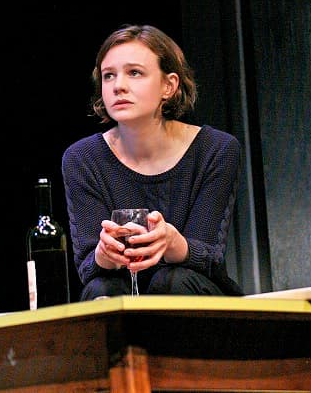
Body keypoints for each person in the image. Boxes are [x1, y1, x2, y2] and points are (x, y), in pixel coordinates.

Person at [61, 24, 243, 299]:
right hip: (120, 288)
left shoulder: (215, 149)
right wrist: (105, 253)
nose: (118, 86)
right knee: (103, 288)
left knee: (173, 281)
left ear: (169, 85)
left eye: (134, 73)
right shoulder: (82, 158)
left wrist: (171, 243)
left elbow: (209, 257)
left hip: (192, 293)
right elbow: (88, 269)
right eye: (109, 76)